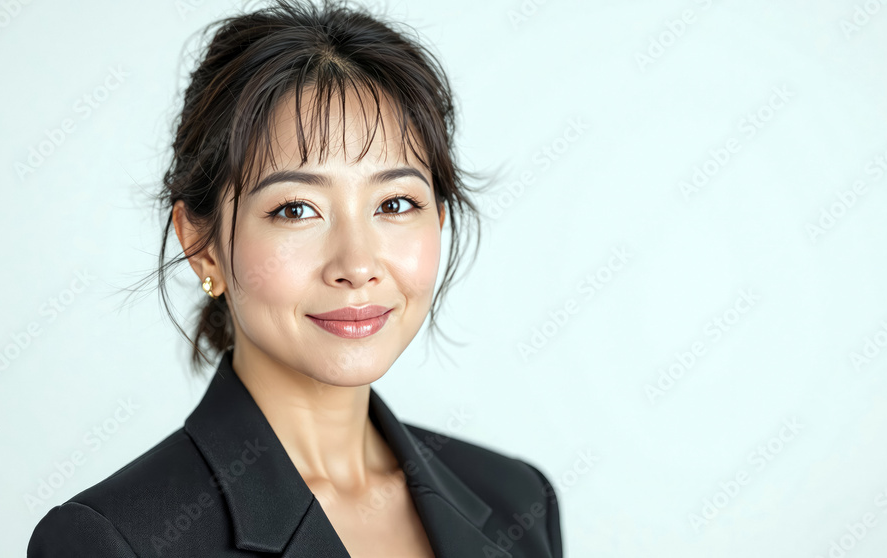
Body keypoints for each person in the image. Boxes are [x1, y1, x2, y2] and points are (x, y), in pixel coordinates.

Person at [27, 0, 562, 556]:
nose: (356, 265)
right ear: (200, 245)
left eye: (396, 203)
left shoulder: (518, 499)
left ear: (440, 219)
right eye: (295, 210)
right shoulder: (114, 540)